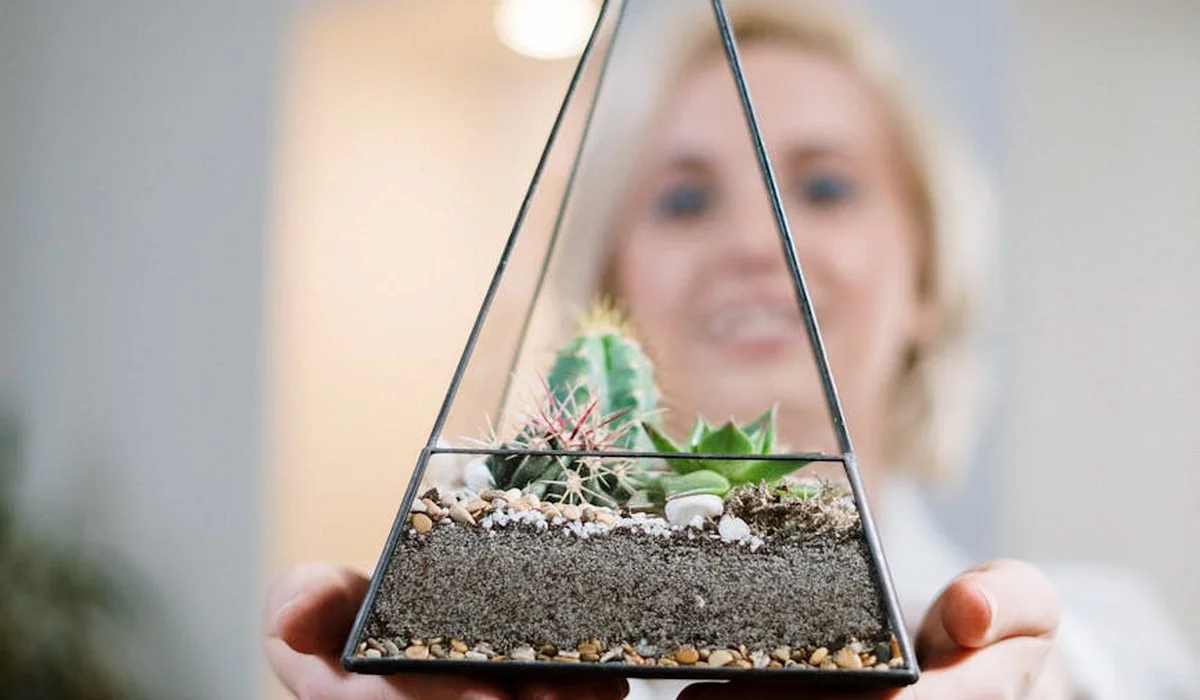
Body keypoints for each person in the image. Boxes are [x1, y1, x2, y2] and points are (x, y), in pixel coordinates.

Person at [264, 1, 1198, 698]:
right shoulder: (521, 622)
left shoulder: (1104, 636)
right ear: (612, 286)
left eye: (826, 187)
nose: (757, 243)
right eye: (684, 199)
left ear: (927, 278)